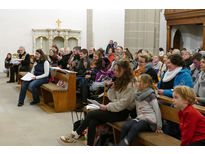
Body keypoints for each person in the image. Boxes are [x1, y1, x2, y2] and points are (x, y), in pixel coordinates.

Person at [57, 60, 136, 146]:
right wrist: (112, 88)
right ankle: (89, 145)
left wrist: (107, 107)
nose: (115, 72)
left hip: (123, 113)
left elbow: (122, 104)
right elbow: (113, 98)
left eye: (118, 70)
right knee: (92, 122)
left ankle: (75, 135)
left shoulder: (131, 84)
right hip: (115, 109)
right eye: (115, 70)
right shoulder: (120, 80)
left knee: (91, 114)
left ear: (125, 70)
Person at [119, 74, 162, 146]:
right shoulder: (138, 93)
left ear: (146, 84)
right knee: (125, 126)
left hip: (150, 121)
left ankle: (125, 143)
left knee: (136, 127)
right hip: (141, 118)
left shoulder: (151, 95)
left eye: (139, 81)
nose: (136, 83)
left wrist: (159, 127)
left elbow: (157, 111)